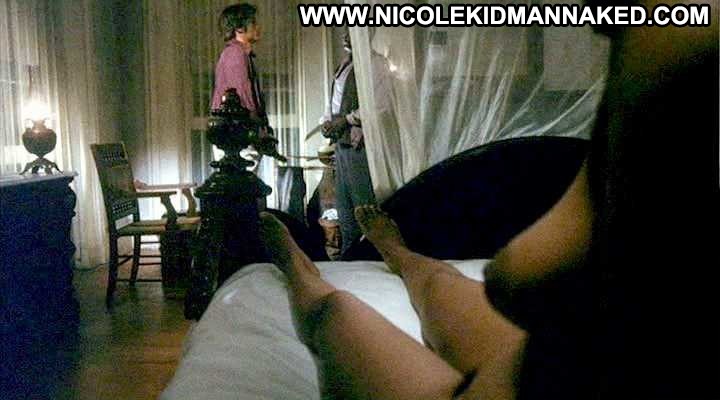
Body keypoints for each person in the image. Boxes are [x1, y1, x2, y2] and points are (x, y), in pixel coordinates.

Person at [259, 0, 718, 398]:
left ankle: (303, 267)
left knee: (336, 311)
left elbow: (519, 276)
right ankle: (397, 252)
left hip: (560, 373)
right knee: (435, 280)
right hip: (560, 364)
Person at [322, 28, 394, 258]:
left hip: (360, 143)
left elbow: (380, 105)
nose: (345, 36)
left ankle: (372, 257)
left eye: (351, 31)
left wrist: (347, 120)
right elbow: (335, 101)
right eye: (345, 31)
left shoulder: (376, 64)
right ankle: (349, 259)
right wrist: (326, 121)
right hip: (341, 143)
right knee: (345, 209)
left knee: (364, 205)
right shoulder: (345, 66)